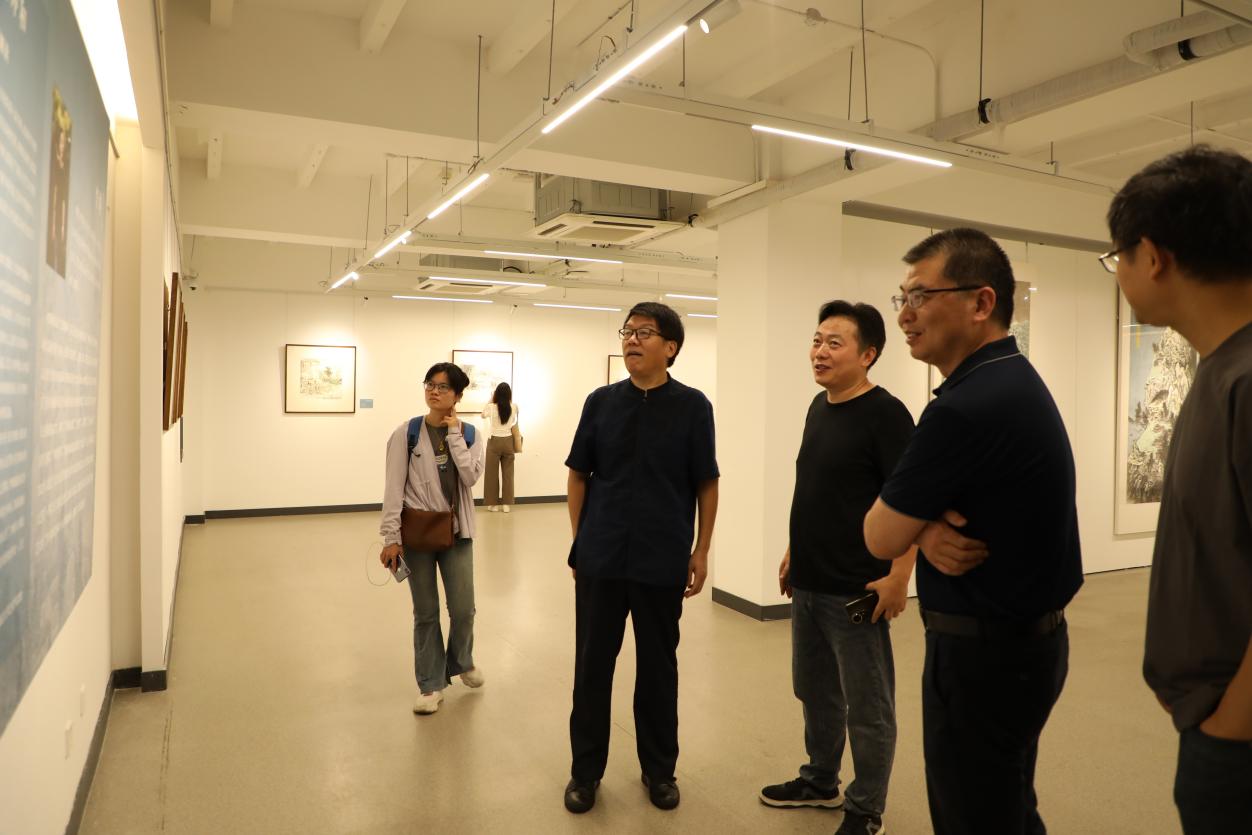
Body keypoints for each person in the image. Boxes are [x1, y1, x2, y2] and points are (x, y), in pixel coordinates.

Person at [863, 228, 1083, 835]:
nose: (904, 316)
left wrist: (911, 527)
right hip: (1029, 647)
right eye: (902, 298)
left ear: (982, 302)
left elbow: (879, 537)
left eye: (920, 296)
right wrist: (926, 529)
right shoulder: (1013, 380)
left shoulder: (963, 408)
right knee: (1007, 808)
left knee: (975, 817)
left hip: (983, 660)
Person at [1104, 145, 1252, 833]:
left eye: (1117, 256)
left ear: (1153, 256)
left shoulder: (1244, 380)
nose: (1119, 273)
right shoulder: (1219, 370)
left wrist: (1229, 731)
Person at [760, 301, 917, 835]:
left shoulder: (887, 415)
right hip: (809, 580)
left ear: (868, 355)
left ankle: (866, 807)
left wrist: (899, 576)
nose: (819, 352)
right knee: (815, 690)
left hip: (857, 587)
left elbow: (911, 500)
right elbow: (817, 488)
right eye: (816, 340)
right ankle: (820, 779)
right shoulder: (818, 406)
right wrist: (793, 550)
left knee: (868, 705)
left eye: (834, 343)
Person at [562, 301, 719, 815]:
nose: (631, 339)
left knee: (658, 669)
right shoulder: (601, 402)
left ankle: (659, 770)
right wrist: (582, 542)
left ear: (670, 347)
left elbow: (706, 482)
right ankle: (585, 773)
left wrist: (701, 549)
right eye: (627, 331)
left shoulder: (693, 407)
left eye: (644, 332)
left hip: (661, 557)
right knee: (592, 668)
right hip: (602, 558)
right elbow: (578, 474)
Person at [379, 362, 486, 715]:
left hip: (458, 534)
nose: (434, 391)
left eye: (443, 387)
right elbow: (393, 488)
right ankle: (430, 685)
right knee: (425, 612)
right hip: (418, 534)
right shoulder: (406, 433)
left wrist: (454, 434)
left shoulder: (471, 434)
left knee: (463, 609)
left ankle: (462, 661)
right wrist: (390, 536)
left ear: (458, 395)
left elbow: (470, 477)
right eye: (429, 384)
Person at [482, 382, 518, 513]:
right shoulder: (514, 407)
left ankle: (493, 505)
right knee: (508, 474)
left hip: (494, 441)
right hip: (508, 441)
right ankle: (507, 504)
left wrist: (491, 399)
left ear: (496, 394)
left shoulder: (491, 407)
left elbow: (482, 414)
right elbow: (513, 421)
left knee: (491, 474)